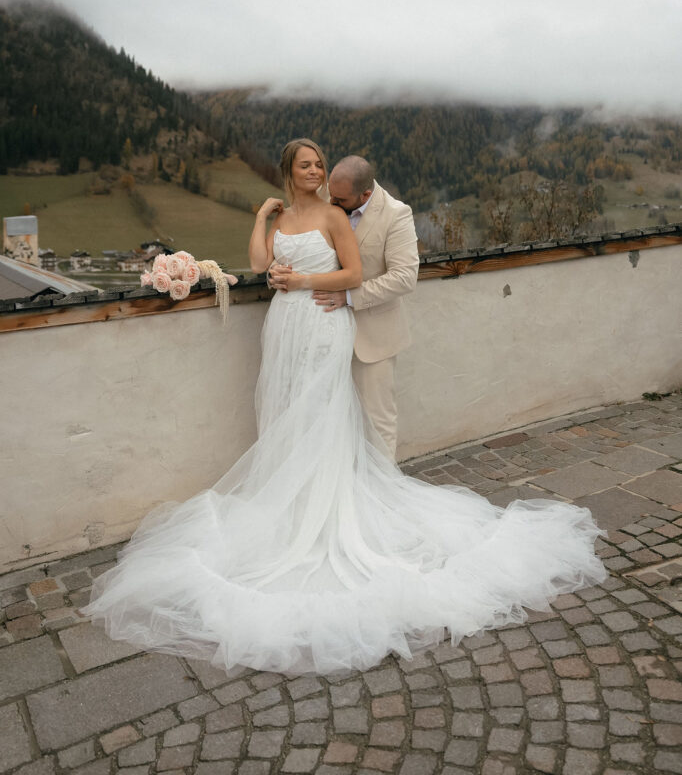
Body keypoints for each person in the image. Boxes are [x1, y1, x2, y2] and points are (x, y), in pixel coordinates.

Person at [83, 137, 606, 676]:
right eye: (306, 165)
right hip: (285, 327)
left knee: (341, 418)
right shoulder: (284, 212)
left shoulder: (347, 216)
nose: (315, 171)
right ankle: (292, 506)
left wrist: (305, 280)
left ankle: (349, 509)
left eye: (321, 164)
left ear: (343, 183)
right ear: (289, 172)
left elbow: (361, 275)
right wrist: (262, 216)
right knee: (288, 416)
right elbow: (261, 264)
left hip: (331, 322)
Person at [269, 156, 418, 459]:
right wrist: (276, 271)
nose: (332, 202)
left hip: (372, 336)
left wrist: (349, 297)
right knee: (322, 415)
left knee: (376, 421)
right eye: (330, 194)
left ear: (365, 195)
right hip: (320, 332)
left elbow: (404, 277)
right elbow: (305, 247)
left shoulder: (396, 214)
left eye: (340, 198)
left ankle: (382, 494)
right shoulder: (329, 200)